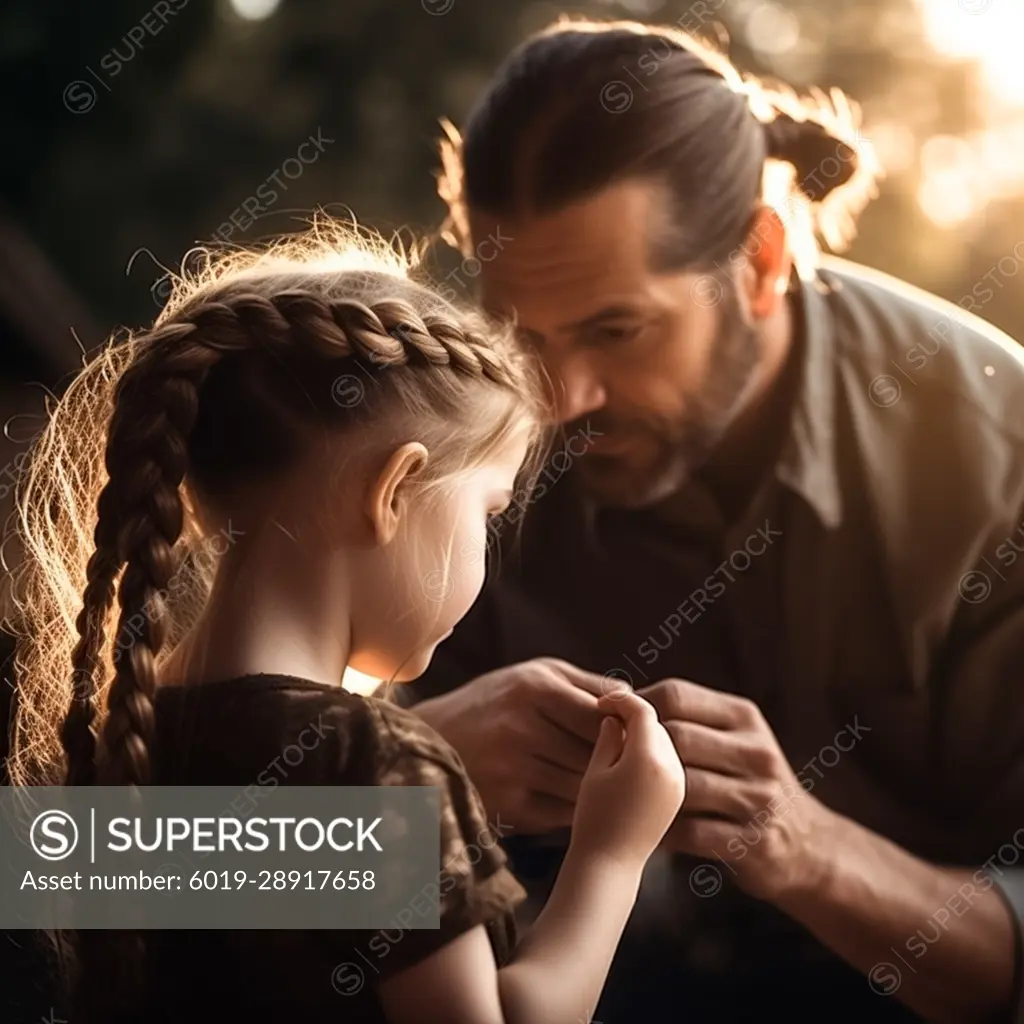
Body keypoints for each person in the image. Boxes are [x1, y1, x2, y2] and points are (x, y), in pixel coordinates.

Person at [401, 16, 1024, 1024]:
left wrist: (804, 847)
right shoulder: (432, 432)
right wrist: (417, 773)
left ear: (761, 259)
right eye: (517, 335)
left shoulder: (1000, 456)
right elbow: (152, 881)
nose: (557, 400)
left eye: (617, 330)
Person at [5, 224, 686, 1023]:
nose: (487, 550)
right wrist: (612, 852)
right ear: (396, 490)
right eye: (488, 515)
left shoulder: (113, 740)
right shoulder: (372, 761)